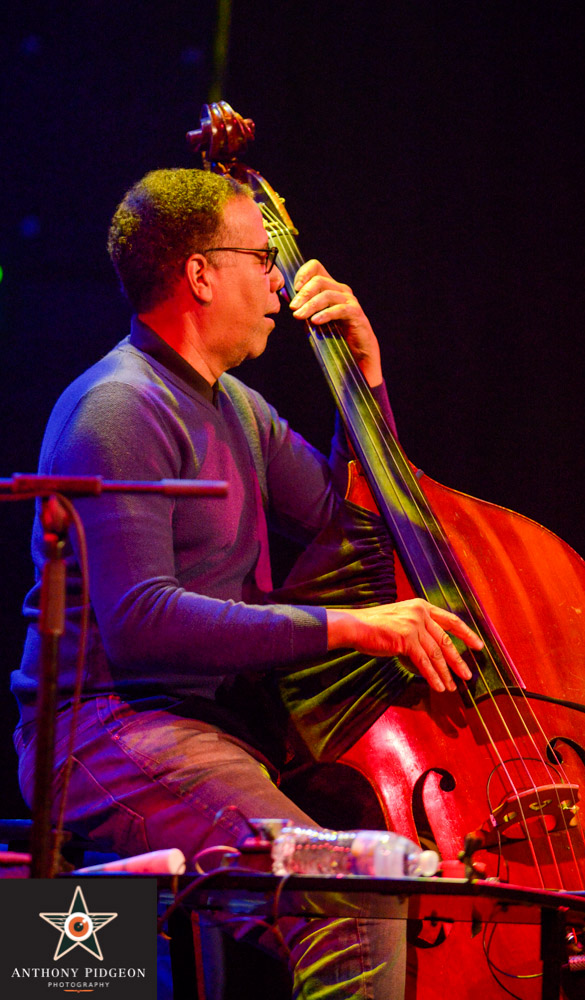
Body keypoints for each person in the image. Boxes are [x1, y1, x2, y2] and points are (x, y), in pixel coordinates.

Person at [11, 168, 483, 998]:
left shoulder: (238, 407)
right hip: (113, 733)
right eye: (261, 259)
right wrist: (356, 627)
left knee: (382, 880)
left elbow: (361, 524)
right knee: (350, 893)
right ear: (199, 273)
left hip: (213, 733)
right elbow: (139, 622)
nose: (280, 279)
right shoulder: (119, 407)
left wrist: (363, 383)